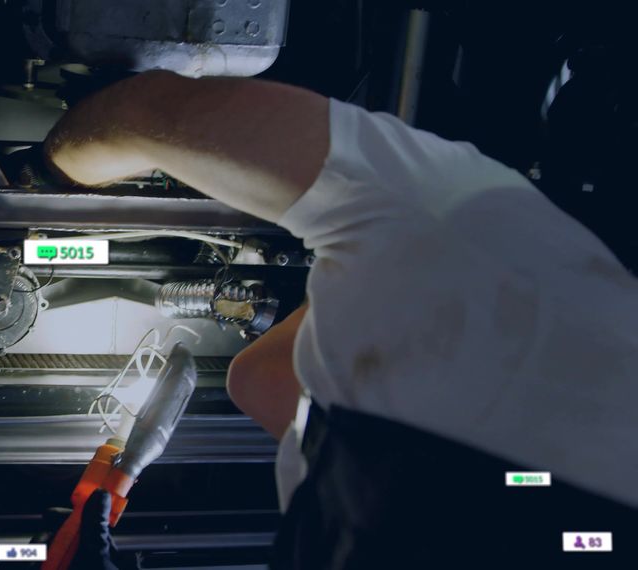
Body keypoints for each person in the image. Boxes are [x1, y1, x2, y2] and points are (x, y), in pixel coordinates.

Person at [43, 70, 638, 568]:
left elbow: (151, 111)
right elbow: (264, 384)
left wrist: (55, 167)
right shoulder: (481, 256)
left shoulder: (494, 252)